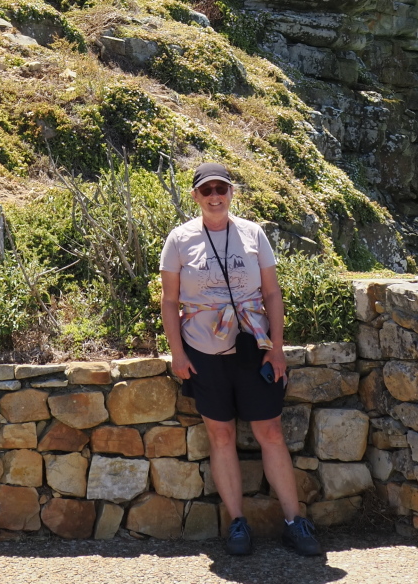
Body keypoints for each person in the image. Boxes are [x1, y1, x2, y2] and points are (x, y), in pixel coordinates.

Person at [162, 164, 325, 559]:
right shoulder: (180, 239)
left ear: (231, 192)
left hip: (253, 345)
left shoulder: (253, 233)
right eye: (206, 190)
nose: (215, 196)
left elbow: (271, 292)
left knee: (270, 431)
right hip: (203, 351)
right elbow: (169, 301)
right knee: (221, 436)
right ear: (196, 196)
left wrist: (278, 347)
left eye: (221, 188)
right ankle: (237, 523)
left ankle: (293, 521)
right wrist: (178, 353)